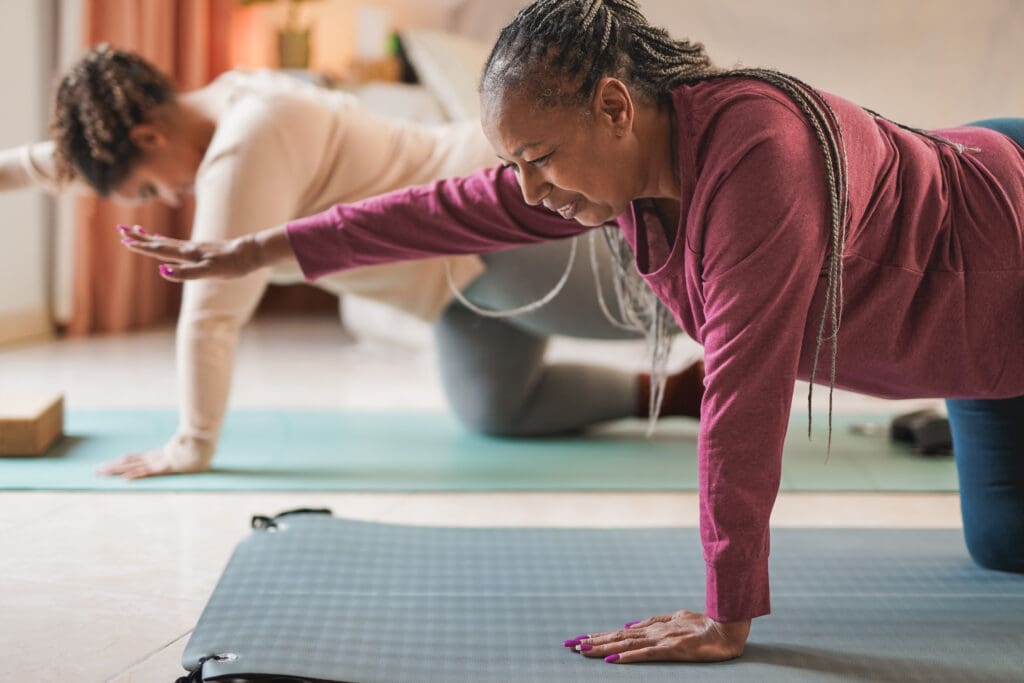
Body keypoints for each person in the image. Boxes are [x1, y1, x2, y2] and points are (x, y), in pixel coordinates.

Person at [119, 0, 1024, 667]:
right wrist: (260, 250)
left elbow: (743, 399)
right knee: (1006, 549)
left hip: (1002, 242)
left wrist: (728, 611)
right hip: (960, 297)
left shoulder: (760, 163)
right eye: (517, 162)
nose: (530, 187)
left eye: (539, 159)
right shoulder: (627, 172)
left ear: (617, 106)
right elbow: (447, 207)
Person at [3, 44, 706, 480]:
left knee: (679, 304)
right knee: (498, 407)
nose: (168, 197)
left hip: (491, 232)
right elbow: (64, 162)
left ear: (149, 134)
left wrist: (190, 445)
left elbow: (211, 313)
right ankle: (675, 393)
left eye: (151, 186)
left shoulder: (246, 142)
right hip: (452, 294)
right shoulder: (225, 96)